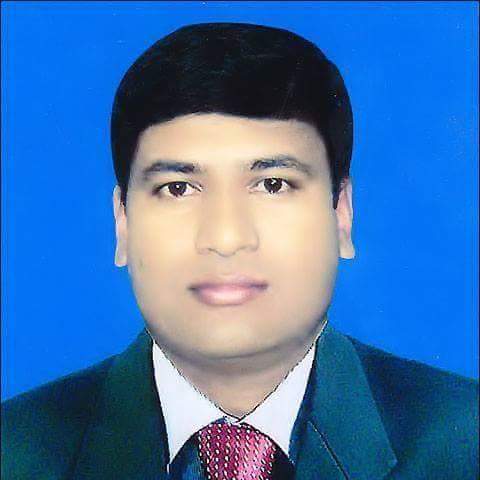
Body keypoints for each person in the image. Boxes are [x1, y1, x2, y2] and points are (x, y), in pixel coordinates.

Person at [1, 22, 478, 480]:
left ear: (341, 214)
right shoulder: (14, 452)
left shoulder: (465, 444)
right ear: (122, 222)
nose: (226, 238)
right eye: (178, 188)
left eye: (273, 184)